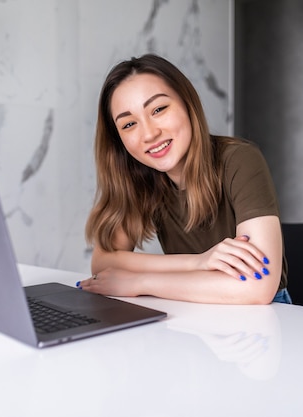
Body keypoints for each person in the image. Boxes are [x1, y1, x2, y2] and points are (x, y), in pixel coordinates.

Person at [79, 53, 290, 305]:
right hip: (187, 305)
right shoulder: (141, 177)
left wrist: (139, 282)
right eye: (128, 124)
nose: (149, 133)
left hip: (262, 314)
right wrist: (198, 261)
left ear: (187, 103)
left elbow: (257, 288)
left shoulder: (240, 159)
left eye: (158, 109)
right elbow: (103, 262)